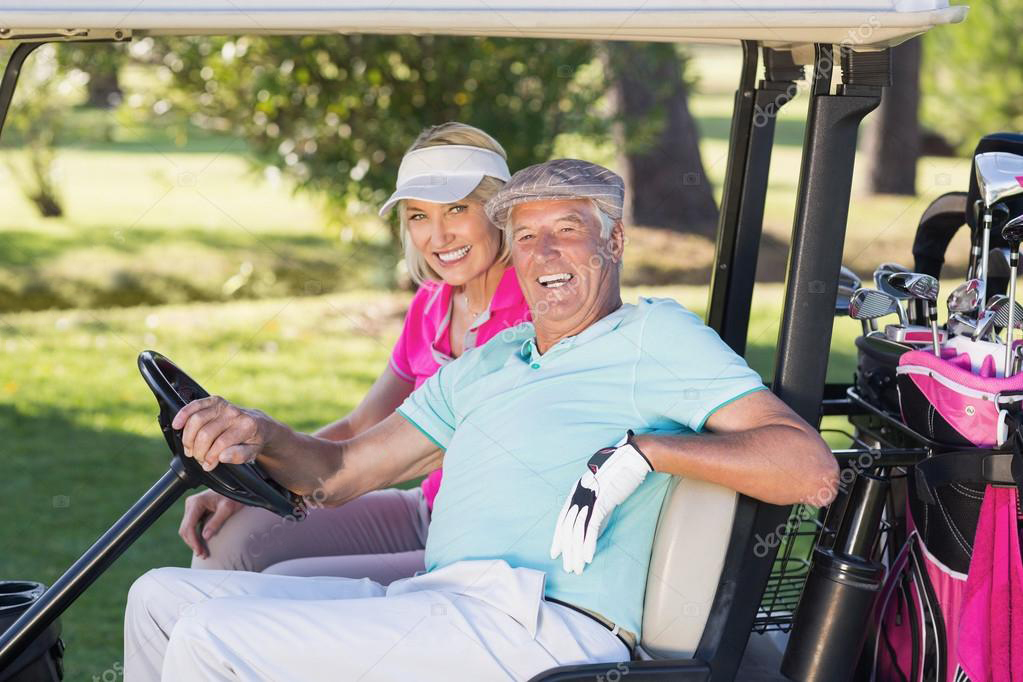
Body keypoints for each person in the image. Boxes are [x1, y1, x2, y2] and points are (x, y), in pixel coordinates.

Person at [125, 159, 839, 681]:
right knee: (159, 598)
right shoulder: (496, 356)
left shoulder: (653, 337)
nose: (544, 254)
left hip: (545, 622)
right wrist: (261, 434)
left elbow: (807, 470)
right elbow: (341, 472)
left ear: (613, 243)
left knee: (214, 635)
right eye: (525, 238)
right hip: (445, 600)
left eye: (567, 230)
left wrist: (643, 451)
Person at [180, 122, 530, 583]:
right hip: (428, 510)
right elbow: (362, 425)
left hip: (491, 545)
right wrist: (260, 485)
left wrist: (288, 469)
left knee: (286, 584)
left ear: (500, 208)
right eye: (418, 216)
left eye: (457, 209)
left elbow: (367, 462)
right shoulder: (432, 305)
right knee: (231, 538)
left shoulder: (537, 308)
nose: (437, 236)